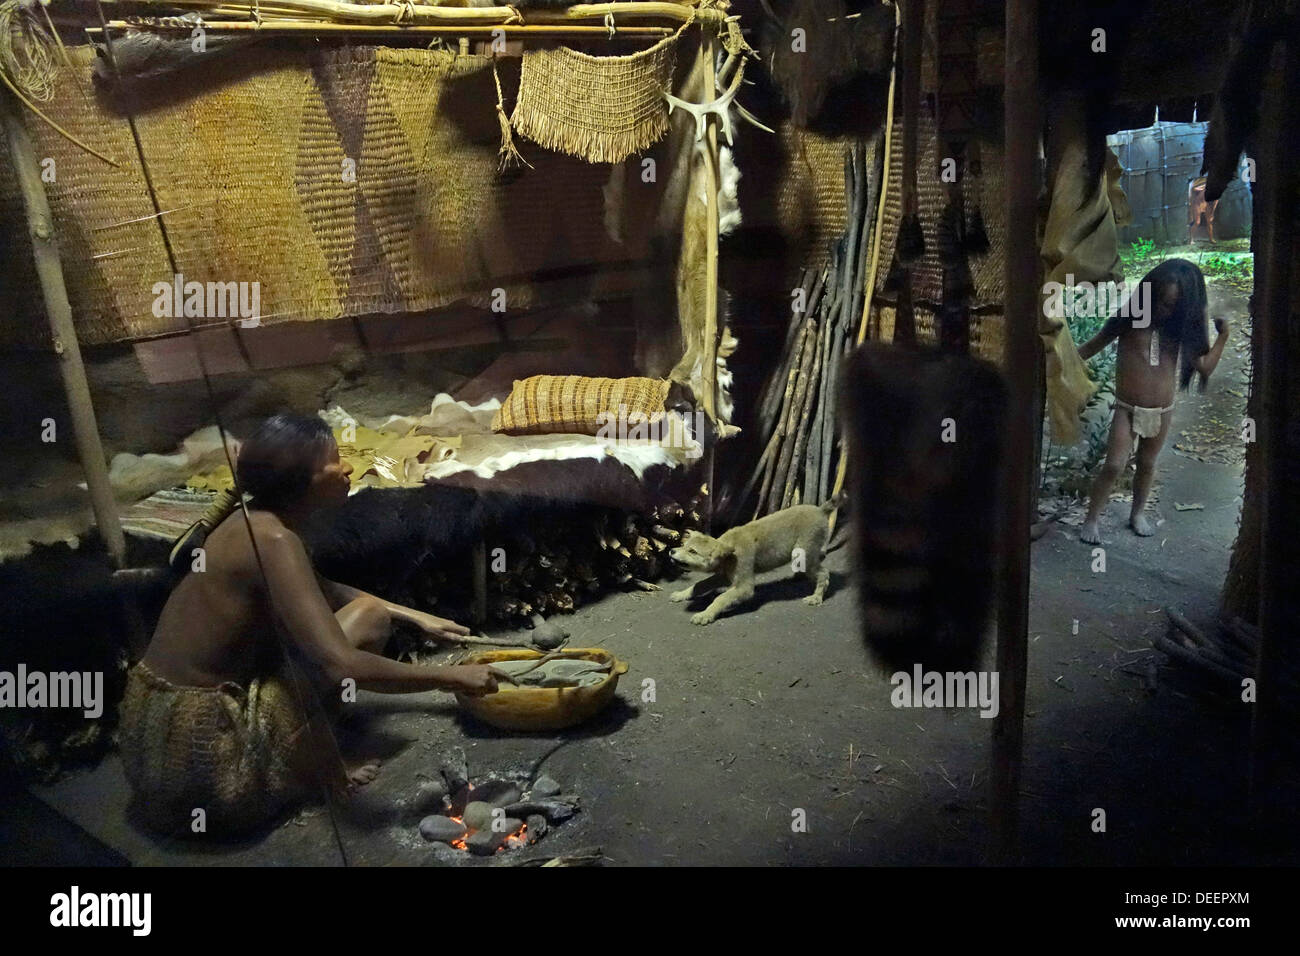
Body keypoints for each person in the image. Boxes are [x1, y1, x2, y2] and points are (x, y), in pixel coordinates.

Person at [120, 412, 509, 835]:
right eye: (334, 462)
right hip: (206, 761)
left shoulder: (248, 521)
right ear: (301, 481)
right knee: (355, 634)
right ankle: (312, 769)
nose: (347, 468)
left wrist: (419, 618)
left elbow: (325, 589)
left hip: (150, 734)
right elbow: (341, 665)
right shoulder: (274, 542)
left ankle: (310, 748)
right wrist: (452, 677)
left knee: (370, 614)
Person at [1076, 259, 1230, 544]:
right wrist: (1060, 361)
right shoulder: (1129, 321)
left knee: (1147, 463)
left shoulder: (1180, 331)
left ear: (1184, 309)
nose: (1163, 310)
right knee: (1114, 465)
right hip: (1126, 407)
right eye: (1159, 302)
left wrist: (1223, 336)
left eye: (1172, 306)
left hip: (1162, 410)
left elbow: (1205, 367)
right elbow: (1090, 347)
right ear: (1147, 295)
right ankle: (1092, 518)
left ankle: (1137, 514)